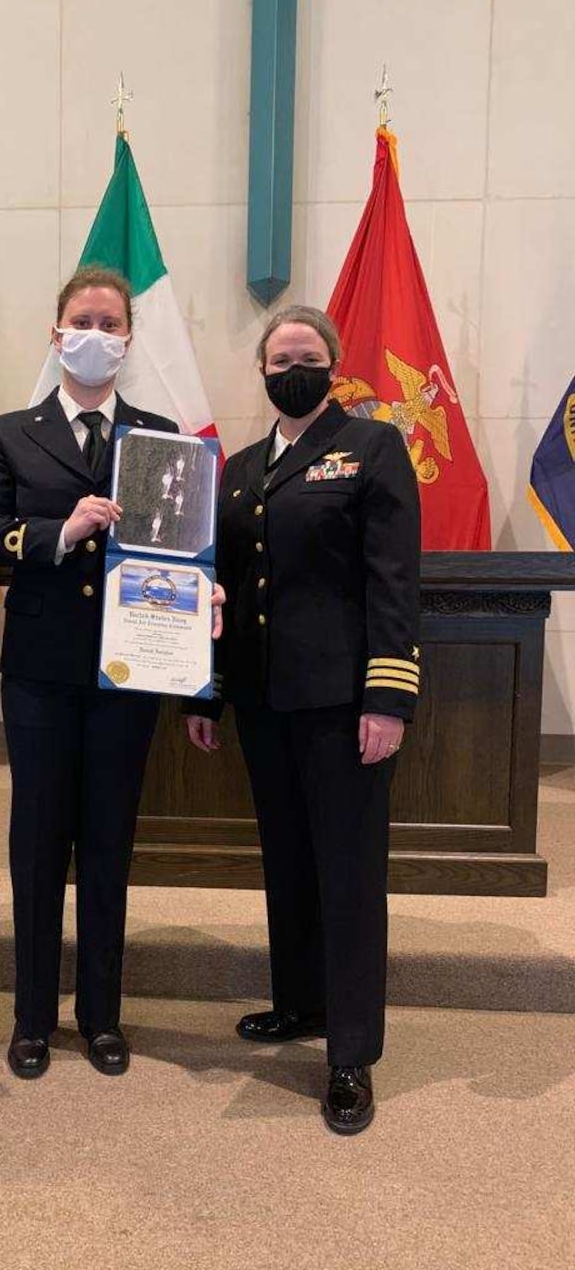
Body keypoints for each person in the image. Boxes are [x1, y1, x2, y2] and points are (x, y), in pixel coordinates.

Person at [0, 266, 219, 1079]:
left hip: (128, 672)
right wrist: (59, 531)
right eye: (83, 320)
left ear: (129, 338)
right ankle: (33, 1018)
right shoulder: (12, 430)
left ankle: (102, 1016)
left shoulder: (157, 436)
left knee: (108, 841)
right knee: (38, 844)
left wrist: (197, 589)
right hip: (39, 670)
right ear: (56, 332)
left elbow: (182, 548)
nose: (97, 335)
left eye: (112, 324)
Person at [185, 305, 420, 1134]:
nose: (294, 366)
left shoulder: (373, 447)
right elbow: (221, 591)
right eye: (281, 356)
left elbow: (392, 581)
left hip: (343, 704)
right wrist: (206, 691)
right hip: (264, 701)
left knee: (349, 874)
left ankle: (350, 1052)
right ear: (261, 369)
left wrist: (388, 697)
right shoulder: (243, 468)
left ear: (335, 365)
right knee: (287, 860)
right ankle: (299, 1005)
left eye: (308, 355)